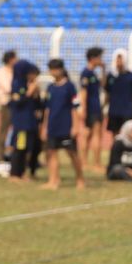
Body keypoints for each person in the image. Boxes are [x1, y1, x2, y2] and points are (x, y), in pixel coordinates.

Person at [41, 59, 85, 190]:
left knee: (72, 154)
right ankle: (53, 180)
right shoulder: (50, 88)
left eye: (54, 69)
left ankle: (80, 179)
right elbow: (47, 109)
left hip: (66, 126)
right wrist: (44, 127)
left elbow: (75, 107)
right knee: (52, 153)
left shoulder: (70, 87)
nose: (52, 72)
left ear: (61, 70)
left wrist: (76, 126)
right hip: (53, 126)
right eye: (50, 69)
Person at [78, 47, 105, 173]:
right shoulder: (86, 73)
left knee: (89, 135)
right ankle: (95, 163)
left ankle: (85, 162)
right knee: (94, 135)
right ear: (93, 58)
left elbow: (103, 85)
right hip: (91, 108)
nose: (101, 60)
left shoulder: (93, 73)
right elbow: (83, 92)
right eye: (99, 57)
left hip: (95, 107)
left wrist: (104, 69)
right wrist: (83, 108)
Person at [105, 49, 132, 137]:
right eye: (117, 59)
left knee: (128, 134)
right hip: (114, 111)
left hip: (127, 111)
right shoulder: (111, 76)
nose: (118, 61)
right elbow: (107, 93)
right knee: (115, 134)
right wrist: (103, 107)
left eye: (121, 59)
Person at [0, 50, 18, 160]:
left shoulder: (15, 71)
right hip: (7, 104)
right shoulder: (2, 71)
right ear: (10, 59)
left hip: (17, 104)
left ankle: (16, 155)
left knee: (18, 130)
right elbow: (8, 88)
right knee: (4, 130)